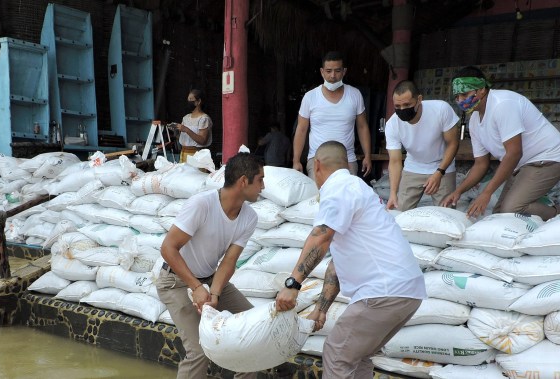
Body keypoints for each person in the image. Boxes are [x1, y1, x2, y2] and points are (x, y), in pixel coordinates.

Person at [275, 141, 426, 378]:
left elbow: (320, 238)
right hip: (406, 292)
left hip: (382, 292)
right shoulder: (355, 188)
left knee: (337, 353)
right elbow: (337, 262)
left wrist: (293, 283)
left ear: (317, 166)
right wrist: (321, 309)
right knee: (357, 356)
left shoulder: (338, 189)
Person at [157, 152, 263, 379]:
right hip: (175, 281)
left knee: (254, 331)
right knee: (199, 350)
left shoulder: (249, 217)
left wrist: (213, 292)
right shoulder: (202, 204)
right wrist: (196, 288)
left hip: (211, 280)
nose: (263, 186)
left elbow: (229, 261)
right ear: (244, 181)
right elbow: (168, 249)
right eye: (260, 180)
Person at [441, 66, 560, 221]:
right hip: (521, 165)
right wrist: (459, 191)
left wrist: (486, 193)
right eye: (457, 97)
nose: (460, 101)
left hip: (547, 159)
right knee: (500, 214)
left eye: (464, 94)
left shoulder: (503, 104)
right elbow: (480, 164)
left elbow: (514, 153)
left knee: (512, 209)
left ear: (481, 90)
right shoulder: (474, 122)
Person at [292, 51, 372, 179]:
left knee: (348, 198)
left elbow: (362, 127)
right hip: (318, 160)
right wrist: (296, 160)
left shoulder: (355, 94)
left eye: (337, 71)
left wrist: (367, 155)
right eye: (328, 71)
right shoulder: (310, 97)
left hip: (347, 160)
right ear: (322, 72)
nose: (333, 75)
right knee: (321, 198)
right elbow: (301, 130)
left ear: (344, 71)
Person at [385, 80, 460, 211]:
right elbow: (395, 161)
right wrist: (392, 193)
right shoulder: (392, 124)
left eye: (407, 104)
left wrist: (439, 173)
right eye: (397, 106)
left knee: (446, 214)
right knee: (400, 210)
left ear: (419, 99)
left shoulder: (441, 109)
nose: (402, 110)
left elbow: (453, 144)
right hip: (413, 166)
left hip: (442, 166)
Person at [176, 89, 212, 163]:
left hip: (197, 155)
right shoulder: (185, 118)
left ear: (198, 101)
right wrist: (176, 131)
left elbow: (202, 141)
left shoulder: (204, 118)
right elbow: (182, 138)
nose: (189, 102)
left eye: (191, 100)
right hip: (184, 153)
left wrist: (186, 129)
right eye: (188, 100)